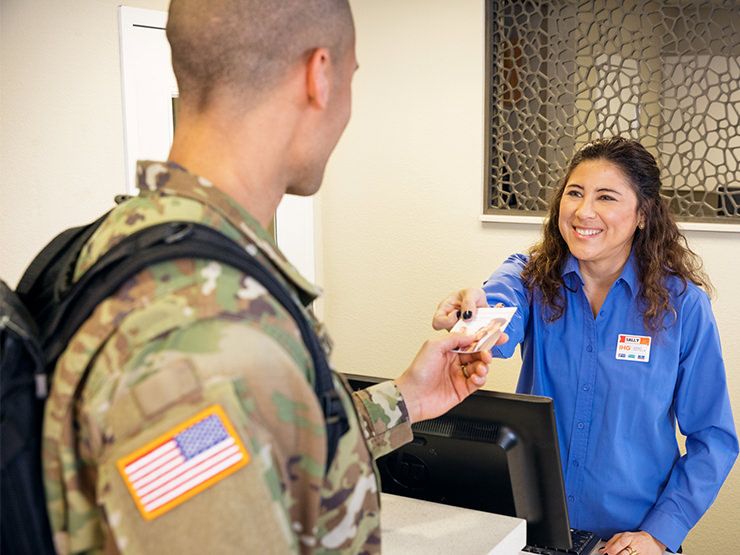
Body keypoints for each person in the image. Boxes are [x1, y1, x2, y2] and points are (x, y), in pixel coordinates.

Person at [41, 1, 499, 553]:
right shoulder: (212, 333)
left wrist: (405, 400)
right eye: (351, 79)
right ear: (319, 75)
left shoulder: (131, 244)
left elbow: (247, 437)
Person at [433, 137, 738, 555]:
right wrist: (472, 320)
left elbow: (713, 438)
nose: (583, 211)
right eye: (574, 193)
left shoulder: (682, 304)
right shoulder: (530, 278)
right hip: (535, 534)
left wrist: (659, 534)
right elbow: (497, 316)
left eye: (606, 197)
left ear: (642, 215)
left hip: (629, 542)